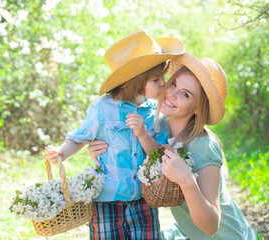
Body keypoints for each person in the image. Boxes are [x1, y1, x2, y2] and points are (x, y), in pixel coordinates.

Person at [88, 52, 257, 239]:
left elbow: (211, 225)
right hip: (189, 234)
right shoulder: (158, 129)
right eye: (174, 84)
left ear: (197, 109)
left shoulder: (203, 146)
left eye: (185, 94)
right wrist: (103, 148)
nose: (172, 94)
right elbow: (137, 149)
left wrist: (186, 180)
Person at [45, 30, 185, 240]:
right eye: (156, 79)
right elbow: (78, 137)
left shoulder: (156, 112)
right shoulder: (103, 109)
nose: (163, 83)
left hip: (143, 198)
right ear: (136, 81)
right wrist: (62, 153)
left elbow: (160, 154)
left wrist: (143, 134)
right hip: (106, 200)